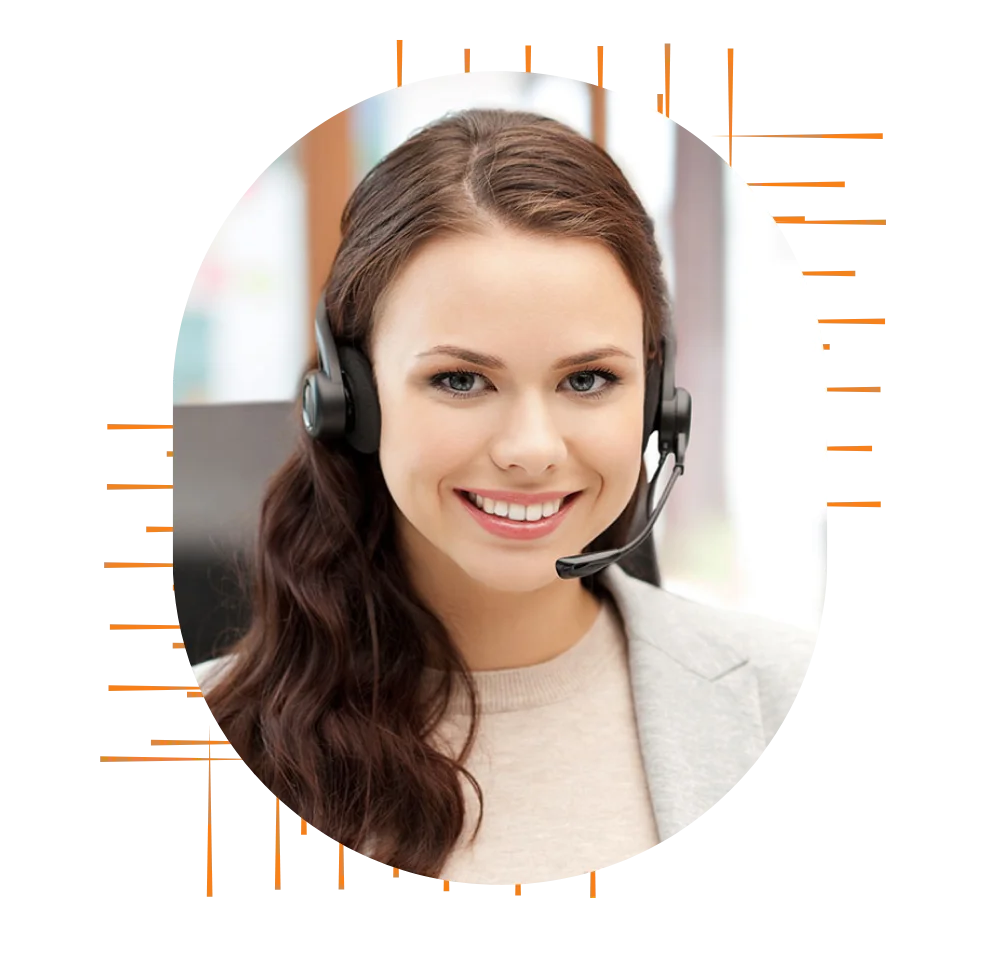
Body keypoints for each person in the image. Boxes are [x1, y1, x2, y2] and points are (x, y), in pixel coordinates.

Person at [192, 108, 818, 889]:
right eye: (461, 380)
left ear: (657, 399)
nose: (531, 448)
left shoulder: (780, 692)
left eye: (588, 380)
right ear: (352, 396)